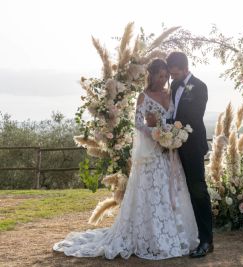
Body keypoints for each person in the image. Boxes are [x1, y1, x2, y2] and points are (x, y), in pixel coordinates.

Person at [53, 58, 199, 260]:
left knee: (171, 191)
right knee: (153, 193)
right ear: (152, 75)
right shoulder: (143, 96)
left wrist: (170, 135)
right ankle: (150, 237)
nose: (164, 80)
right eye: (161, 76)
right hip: (151, 154)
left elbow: (172, 120)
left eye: (166, 76)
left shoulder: (170, 93)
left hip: (168, 154)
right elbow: (138, 123)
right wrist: (157, 134)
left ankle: (176, 234)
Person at [166, 51, 214, 258]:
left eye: (175, 74)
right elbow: (173, 111)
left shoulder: (200, 86)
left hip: (192, 146)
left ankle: (206, 240)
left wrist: (164, 126)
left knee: (198, 191)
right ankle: (183, 235)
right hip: (173, 146)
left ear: (185, 69)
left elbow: (192, 117)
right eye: (171, 74)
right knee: (178, 192)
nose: (172, 77)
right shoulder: (175, 85)